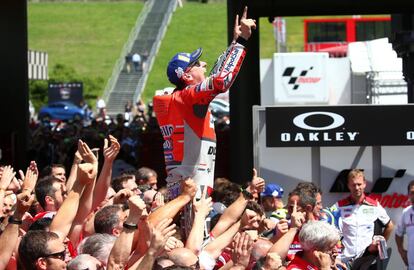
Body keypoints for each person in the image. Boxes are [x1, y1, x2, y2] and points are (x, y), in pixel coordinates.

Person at [153, 6, 256, 201]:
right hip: (191, 186)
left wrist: (235, 42)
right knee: (195, 232)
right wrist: (242, 41)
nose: (204, 64)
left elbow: (216, 76)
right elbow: (221, 80)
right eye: (197, 63)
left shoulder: (181, 96)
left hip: (187, 183)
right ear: (186, 75)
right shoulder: (187, 97)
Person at [330, 169, 394, 267]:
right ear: (348, 186)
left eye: (359, 184)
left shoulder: (374, 205)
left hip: (366, 259)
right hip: (344, 260)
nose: (356, 188)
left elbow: (390, 226)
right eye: (353, 185)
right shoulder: (339, 206)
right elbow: (326, 224)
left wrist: (380, 245)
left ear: (364, 184)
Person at [395, 180, 414, 270]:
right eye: (412, 192)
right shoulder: (406, 212)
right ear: (409, 195)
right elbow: (398, 234)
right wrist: (401, 251)